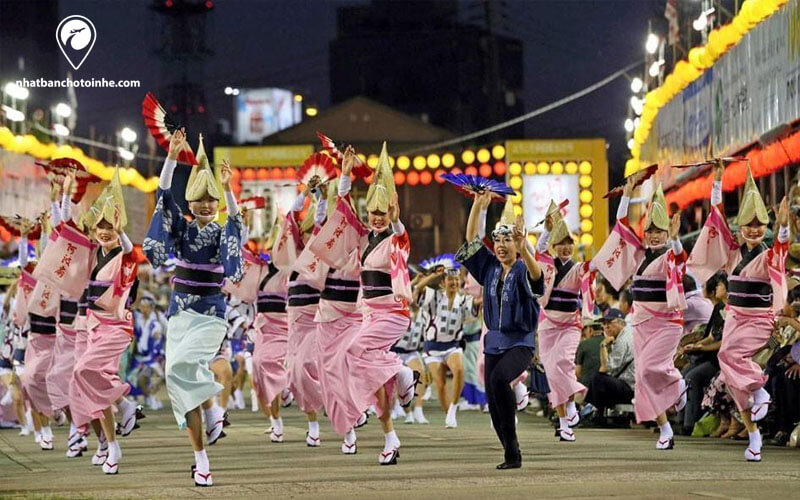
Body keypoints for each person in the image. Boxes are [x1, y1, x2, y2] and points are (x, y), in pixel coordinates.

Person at [143, 129, 243, 486]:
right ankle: (201, 459)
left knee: (183, 368)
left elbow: (236, 224)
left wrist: (228, 190)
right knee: (176, 379)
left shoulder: (221, 232)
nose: (204, 205)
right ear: (190, 204)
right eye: (198, 199)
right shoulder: (183, 230)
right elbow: (163, 195)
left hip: (211, 314)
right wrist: (171, 156)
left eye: (210, 200)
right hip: (181, 314)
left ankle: (215, 407)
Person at [308, 143, 417, 465]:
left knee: (352, 353)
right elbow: (341, 210)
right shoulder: (365, 237)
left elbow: (401, 238)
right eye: (374, 213)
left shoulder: (394, 238)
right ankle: (389, 437)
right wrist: (344, 174)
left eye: (383, 213)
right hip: (370, 315)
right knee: (362, 369)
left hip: (392, 313)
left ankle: (401, 371)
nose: (377, 218)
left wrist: (397, 222)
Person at [688, 163, 790, 462]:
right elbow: (717, 216)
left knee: (729, 358)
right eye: (749, 224)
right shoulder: (732, 252)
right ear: (741, 227)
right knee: (732, 378)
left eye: (760, 224)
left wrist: (783, 227)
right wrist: (717, 179)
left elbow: (783, 248)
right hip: (734, 317)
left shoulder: (769, 254)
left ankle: (760, 392)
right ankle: (754, 435)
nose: (755, 229)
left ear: (766, 227)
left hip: (758, 320)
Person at [592, 179, 687, 450]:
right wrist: (627, 194)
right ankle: (664, 429)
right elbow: (621, 226)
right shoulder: (637, 255)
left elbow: (680, 261)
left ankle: (679, 383)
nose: (655, 235)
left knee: (649, 368)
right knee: (643, 377)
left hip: (668, 324)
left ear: (667, 233)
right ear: (645, 233)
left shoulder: (670, 254)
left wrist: (677, 239)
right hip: (642, 323)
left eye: (660, 231)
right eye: (651, 231)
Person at [458, 191, 543, 470]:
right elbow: (471, 241)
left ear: (517, 244)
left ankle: (513, 445)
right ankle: (511, 451)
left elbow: (537, 277)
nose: (502, 245)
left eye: (508, 240)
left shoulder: (522, 268)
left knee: (498, 381)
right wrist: (478, 206)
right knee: (493, 402)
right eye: (498, 240)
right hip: (493, 341)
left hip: (520, 342)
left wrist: (525, 247)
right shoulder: (491, 268)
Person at [69, 168, 141, 474]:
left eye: (109, 227)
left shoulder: (124, 256)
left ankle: (124, 405)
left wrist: (120, 227)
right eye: (100, 227)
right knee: (83, 381)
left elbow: (128, 252)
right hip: (91, 326)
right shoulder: (92, 254)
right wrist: (65, 193)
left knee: (85, 371)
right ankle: (111, 445)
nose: (104, 231)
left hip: (116, 329)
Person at [534, 200, 595, 441]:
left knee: (562, 364)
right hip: (548, 325)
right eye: (560, 244)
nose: (565, 248)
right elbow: (537, 252)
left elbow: (590, 279)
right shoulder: (546, 266)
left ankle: (570, 408)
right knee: (553, 373)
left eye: (568, 244)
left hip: (570, 325)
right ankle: (563, 423)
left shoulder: (579, 268)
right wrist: (548, 230)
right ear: (554, 246)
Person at [416, 256, 474, 428]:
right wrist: (433, 275)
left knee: (459, 369)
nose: (454, 282)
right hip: (432, 348)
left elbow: (476, 306)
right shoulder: (433, 297)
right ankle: (448, 412)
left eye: (457, 279)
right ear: (443, 283)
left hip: (452, 346)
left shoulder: (464, 300)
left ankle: (453, 409)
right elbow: (417, 288)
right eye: (450, 279)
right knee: (440, 385)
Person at [677, 273, 726, 435]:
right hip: (708, 356)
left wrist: (700, 348)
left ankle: (690, 423)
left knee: (692, 378)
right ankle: (680, 420)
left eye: (719, 286)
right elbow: (712, 336)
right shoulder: (718, 308)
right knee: (681, 376)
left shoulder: (730, 310)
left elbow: (722, 341)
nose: (702, 289)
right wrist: (697, 345)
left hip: (718, 360)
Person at [584, 308, 635, 424]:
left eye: (609, 323)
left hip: (630, 389)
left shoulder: (623, 340)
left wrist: (603, 345)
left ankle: (597, 415)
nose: (606, 327)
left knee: (598, 378)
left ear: (620, 322)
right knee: (599, 378)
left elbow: (605, 368)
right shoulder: (626, 334)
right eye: (604, 324)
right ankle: (593, 410)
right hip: (628, 385)